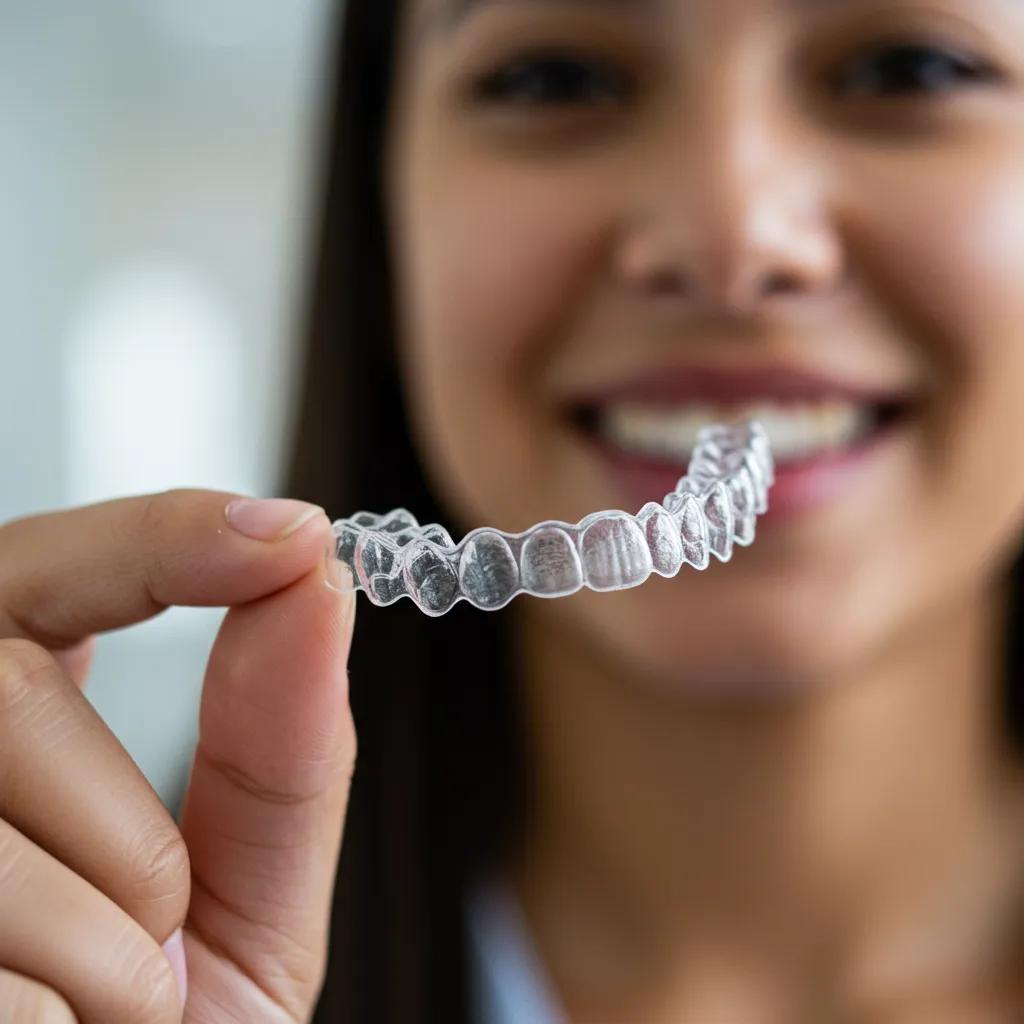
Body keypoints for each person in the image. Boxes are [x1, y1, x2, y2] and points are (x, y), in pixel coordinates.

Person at [3, 0, 1024, 1020]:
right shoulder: (138, 979)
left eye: (914, 69)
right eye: (555, 78)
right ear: (384, 196)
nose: (729, 236)